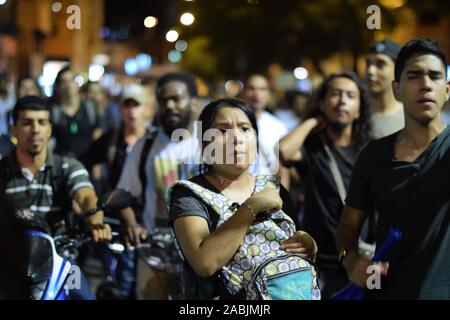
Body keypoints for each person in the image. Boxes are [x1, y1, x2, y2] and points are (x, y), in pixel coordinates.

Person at [169, 98, 319, 300]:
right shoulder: (189, 194)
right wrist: (252, 207)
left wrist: (308, 245)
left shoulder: (273, 188)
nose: (236, 138)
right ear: (205, 144)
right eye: (222, 131)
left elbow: (296, 245)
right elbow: (205, 263)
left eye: (245, 129)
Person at [336, 39, 450, 299]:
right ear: (397, 90)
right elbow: (347, 228)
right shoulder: (374, 155)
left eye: (434, 76)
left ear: (447, 89)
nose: (425, 84)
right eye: (414, 76)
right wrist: (350, 259)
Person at [0, 96, 112, 299]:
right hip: (10, 261)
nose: (35, 129)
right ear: (13, 129)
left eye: (42, 122)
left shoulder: (67, 166)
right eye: (27, 123)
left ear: (50, 128)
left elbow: (86, 195)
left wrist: (96, 223)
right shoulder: (2, 170)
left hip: (63, 260)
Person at [279, 71, 373, 299]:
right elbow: (284, 151)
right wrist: (313, 120)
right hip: (319, 261)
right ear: (322, 103)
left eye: (350, 95)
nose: (342, 101)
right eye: (335, 94)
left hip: (361, 258)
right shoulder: (314, 147)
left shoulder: (370, 151)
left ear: (359, 108)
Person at [117, 72, 201, 299]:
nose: (170, 105)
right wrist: (132, 223)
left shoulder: (209, 147)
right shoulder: (144, 148)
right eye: (164, 100)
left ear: (194, 102)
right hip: (154, 257)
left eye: (177, 98)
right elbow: (124, 193)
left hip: (201, 257)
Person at [81, 84, 150, 299]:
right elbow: (81, 164)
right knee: (118, 284)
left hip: (147, 221)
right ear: (120, 109)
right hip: (115, 218)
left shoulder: (155, 140)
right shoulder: (112, 139)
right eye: (126, 105)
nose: (131, 111)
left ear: (147, 109)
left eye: (136, 105)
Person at [241, 74, 290, 188]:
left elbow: (283, 169)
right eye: (251, 88)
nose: (256, 94)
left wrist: (283, 200)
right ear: (243, 93)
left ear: (269, 95)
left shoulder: (278, 126)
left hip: (269, 192)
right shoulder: (231, 124)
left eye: (262, 89)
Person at [50, 66, 101, 160]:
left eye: (71, 80)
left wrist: (97, 163)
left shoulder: (90, 108)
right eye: (64, 82)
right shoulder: (54, 112)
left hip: (87, 164)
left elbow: (97, 136)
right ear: (58, 87)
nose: (68, 85)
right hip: (63, 165)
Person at [366, 39, 404, 139]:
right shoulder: (356, 115)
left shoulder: (412, 119)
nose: (370, 71)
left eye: (380, 64)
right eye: (368, 63)